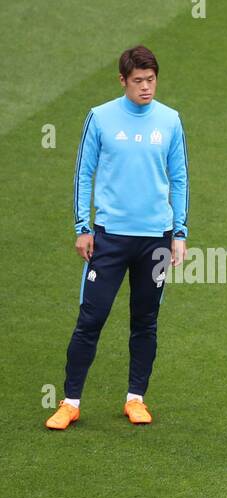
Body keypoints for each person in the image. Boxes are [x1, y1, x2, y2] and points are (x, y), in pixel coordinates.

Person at [45, 45, 189, 430]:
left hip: (154, 239)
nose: (146, 88)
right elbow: (83, 174)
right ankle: (70, 402)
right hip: (108, 239)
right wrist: (82, 227)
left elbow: (180, 178)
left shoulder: (170, 121)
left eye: (151, 80)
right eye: (138, 81)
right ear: (123, 81)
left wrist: (179, 233)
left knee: (145, 320)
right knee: (90, 319)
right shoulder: (101, 118)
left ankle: (135, 398)